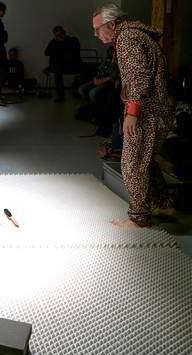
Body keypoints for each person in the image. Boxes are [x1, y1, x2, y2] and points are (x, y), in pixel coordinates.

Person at [93, 4, 176, 228]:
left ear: (112, 25)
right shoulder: (135, 34)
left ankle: (139, 218)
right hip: (158, 108)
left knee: (132, 163)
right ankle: (161, 204)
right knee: (145, 159)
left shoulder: (127, 39)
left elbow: (139, 77)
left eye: (98, 29)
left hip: (149, 111)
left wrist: (132, 112)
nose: (96, 34)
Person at [77, 46, 122, 126]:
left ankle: (97, 115)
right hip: (103, 76)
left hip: (112, 80)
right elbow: (103, 64)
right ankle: (93, 110)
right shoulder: (111, 51)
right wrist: (98, 75)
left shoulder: (124, 53)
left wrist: (107, 79)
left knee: (93, 93)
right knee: (82, 89)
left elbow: (120, 73)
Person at [43, 26, 82, 102]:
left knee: (60, 64)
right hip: (61, 66)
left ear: (64, 32)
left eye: (61, 34)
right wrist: (54, 41)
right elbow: (46, 52)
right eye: (57, 35)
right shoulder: (56, 43)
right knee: (57, 69)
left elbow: (72, 55)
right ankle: (60, 95)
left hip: (73, 65)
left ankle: (51, 67)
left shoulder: (73, 40)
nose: (60, 36)